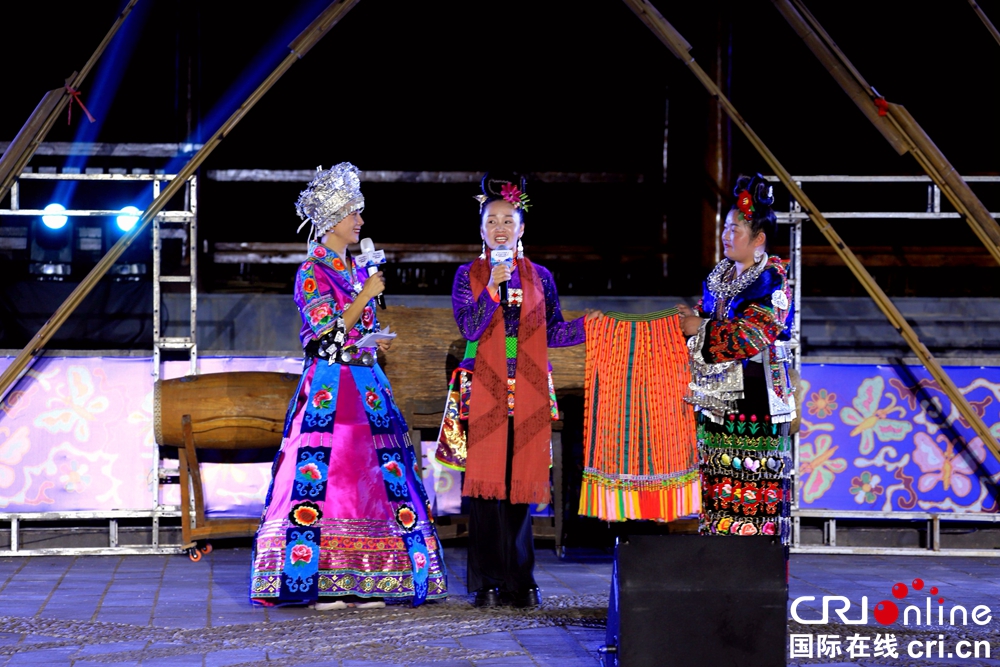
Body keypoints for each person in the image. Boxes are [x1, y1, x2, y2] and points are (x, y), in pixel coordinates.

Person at [250, 163, 447, 609]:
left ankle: (370, 579)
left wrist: (372, 320)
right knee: (327, 481)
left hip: (368, 386)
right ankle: (318, 582)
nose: (360, 221)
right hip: (330, 392)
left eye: (359, 213)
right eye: (353, 213)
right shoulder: (310, 272)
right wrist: (362, 298)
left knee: (375, 482)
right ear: (332, 218)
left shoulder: (359, 269)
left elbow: (361, 329)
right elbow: (325, 335)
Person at [438, 172, 600, 608]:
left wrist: (597, 326)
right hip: (483, 389)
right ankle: (488, 581)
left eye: (508, 219)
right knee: (487, 491)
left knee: (519, 488)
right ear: (481, 229)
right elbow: (470, 326)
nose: (501, 228)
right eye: (492, 220)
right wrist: (492, 285)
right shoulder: (467, 276)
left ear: (522, 228)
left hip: (527, 389)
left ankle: (520, 580)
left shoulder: (540, 276)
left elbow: (555, 331)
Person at [676, 173, 796, 544]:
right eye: (726, 228)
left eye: (736, 229)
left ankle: (754, 561)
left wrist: (699, 327)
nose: (727, 235)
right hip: (717, 394)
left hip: (757, 394)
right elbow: (709, 315)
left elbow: (751, 335)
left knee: (753, 477)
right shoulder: (721, 276)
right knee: (715, 474)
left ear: (758, 239)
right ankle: (717, 558)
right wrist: (689, 318)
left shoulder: (772, 281)